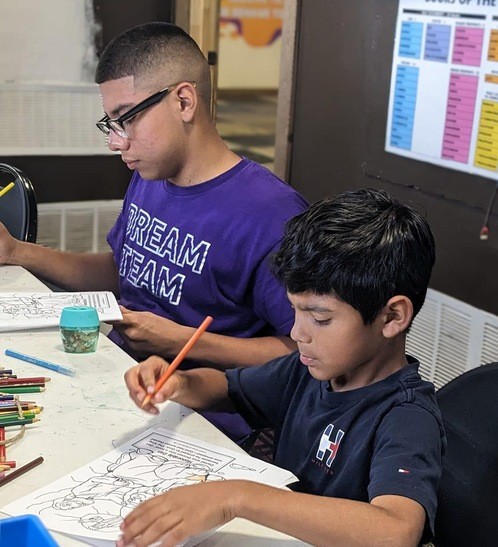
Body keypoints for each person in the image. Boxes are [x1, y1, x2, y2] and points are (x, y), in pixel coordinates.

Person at [118, 187, 445, 547]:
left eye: (320, 319)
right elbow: (226, 389)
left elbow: (394, 538)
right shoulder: (309, 370)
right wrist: (179, 382)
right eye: (294, 310)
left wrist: (237, 497)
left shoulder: (407, 415)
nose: (297, 333)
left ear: (392, 317)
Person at [0, 22, 308, 439]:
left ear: (184, 101)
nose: (115, 142)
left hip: (201, 418)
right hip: (118, 380)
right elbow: (122, 271)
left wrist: (181, 341)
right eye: (109, 123)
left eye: (125, 119)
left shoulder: (271, 214)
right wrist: (16, 251)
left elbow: (305, 351)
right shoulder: (151, 176)